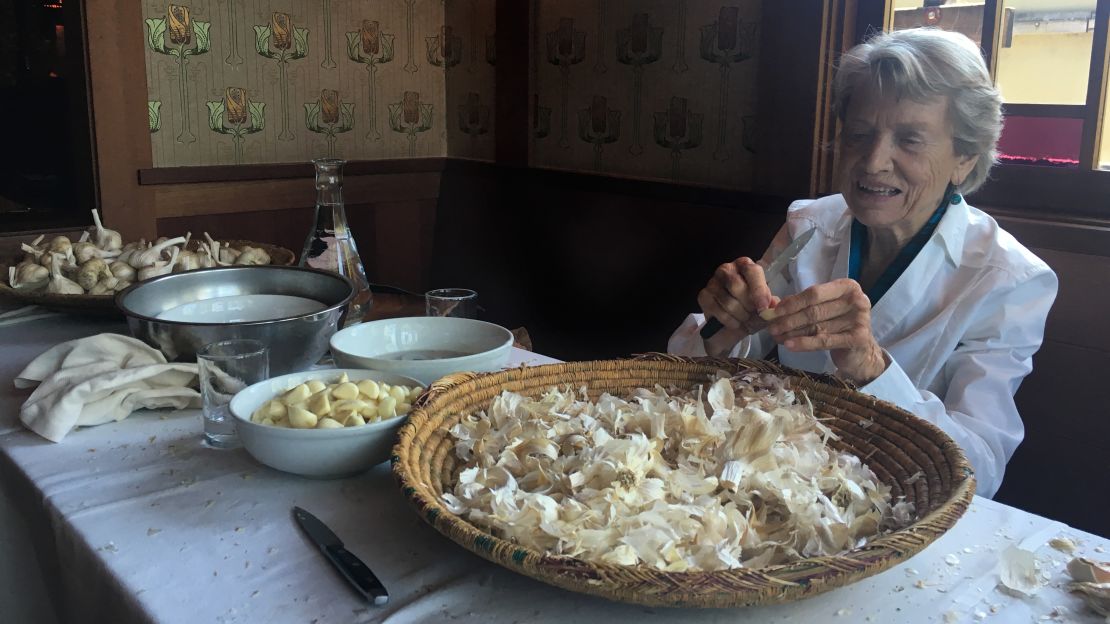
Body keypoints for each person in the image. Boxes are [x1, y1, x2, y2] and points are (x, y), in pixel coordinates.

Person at [667, 28, 1057, 499]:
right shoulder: (809, 224)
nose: (874, 162)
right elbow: (683, 373)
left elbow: (981, 472)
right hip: (777, 489)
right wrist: (723, 330)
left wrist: (873, 369)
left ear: (964, 158)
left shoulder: (1008, 281)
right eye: (860, 134)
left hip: (898, 508)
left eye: (910, 140)